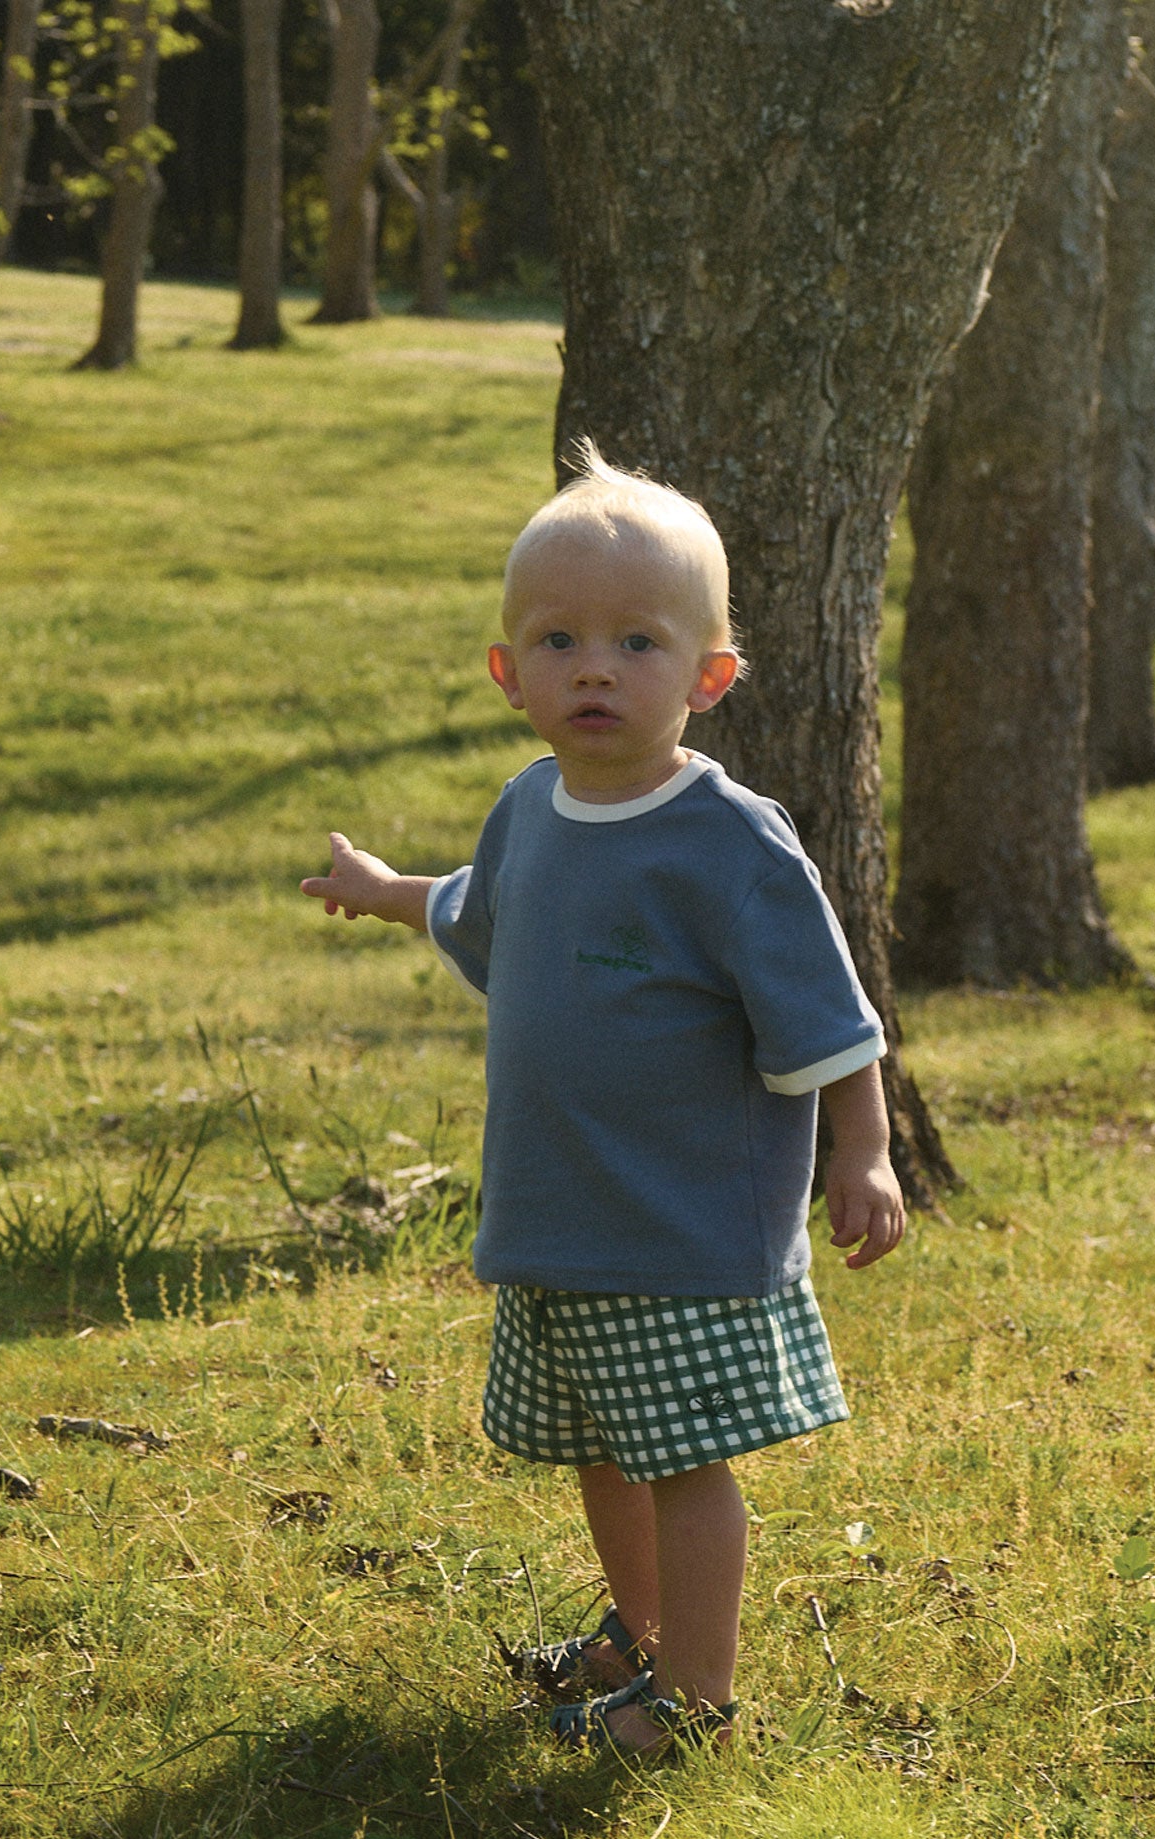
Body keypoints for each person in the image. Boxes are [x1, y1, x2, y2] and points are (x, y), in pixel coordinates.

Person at [301, 445, 905, 1756]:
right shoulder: (531, 808)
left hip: (681, 1228)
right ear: (509, 673)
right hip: (560, 1219)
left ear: (708, 677)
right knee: (604, 1446)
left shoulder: (730, 842)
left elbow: (831, 1016)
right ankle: (641, 1636)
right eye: (560, 641)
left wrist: (865, 1152)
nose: (594, 669)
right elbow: (482, 910)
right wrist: (387, 891)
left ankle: (695, 1701)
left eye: (638, 642)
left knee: (683, 1461)